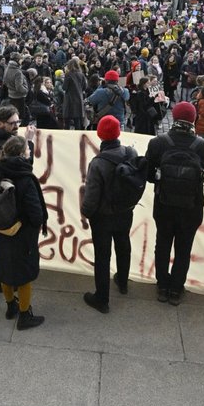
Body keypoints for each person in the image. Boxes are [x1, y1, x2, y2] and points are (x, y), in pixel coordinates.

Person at [144, 102, 204, 305]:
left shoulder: (159, 143)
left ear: (174, 118)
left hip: (164, 204)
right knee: (184, 248)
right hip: (192, 207)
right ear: (193, 119)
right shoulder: (202, 146)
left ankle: (162, 286)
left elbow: (149, 175)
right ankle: (176, 290)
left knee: (162, 245)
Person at [0, 135, 49, 330]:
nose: (30, 153)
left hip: (2, 230)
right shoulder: (25, 178)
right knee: (24, 275)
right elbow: (36, 213)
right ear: (22, 155)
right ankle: (25, 316)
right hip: (23, 234)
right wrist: (35, 222)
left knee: (5, 270)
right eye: (27, 151)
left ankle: (10, 307)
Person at [80, 115, 138, 313]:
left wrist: (85, 213)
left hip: (103, 217)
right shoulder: (131, 153)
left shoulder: (98, 163)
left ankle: (102, 299)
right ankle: (122, 282)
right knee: (123, 245)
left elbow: (91, 195)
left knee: (102, 256)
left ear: (100, 135)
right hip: (125, 211)